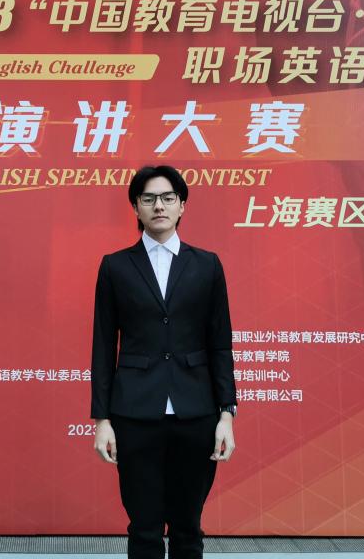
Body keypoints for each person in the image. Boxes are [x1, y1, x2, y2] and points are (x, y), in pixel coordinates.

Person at [91, 165, 236, 559]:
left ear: (181, 205)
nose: (159, 206)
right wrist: (102, 420)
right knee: (144, 529)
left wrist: (226, 414)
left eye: (168, 198)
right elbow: (103, 347)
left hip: (196, 412)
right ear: (136, 207)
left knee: (188, 527)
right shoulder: (115, 266)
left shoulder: (207, 265)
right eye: (149, 199)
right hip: (135, 414)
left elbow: (220, 344)